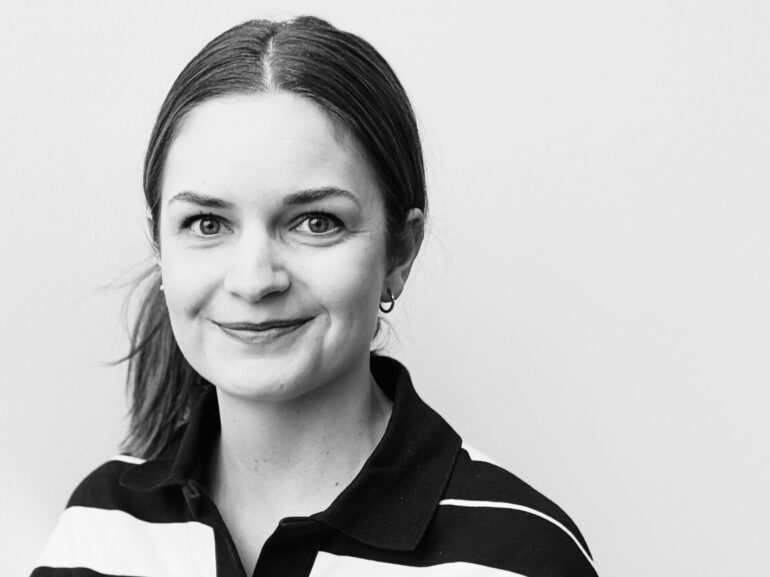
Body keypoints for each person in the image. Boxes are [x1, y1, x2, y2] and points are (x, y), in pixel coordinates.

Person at [31, 16, 598, 577]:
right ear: (161, 250)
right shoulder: (97, 531)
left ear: (400, 252)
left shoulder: (522, 556)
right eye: (207, 223)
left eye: (316, 222)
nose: (254, 281)